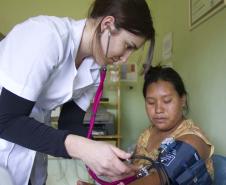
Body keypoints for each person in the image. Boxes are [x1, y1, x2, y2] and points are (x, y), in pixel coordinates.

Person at [0, 0, 155, 185]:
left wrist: (106, 159)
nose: (124, 59)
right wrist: (84, 149)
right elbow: (5, 121)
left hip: (31, 155)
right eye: (128, 46)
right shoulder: (47, 36)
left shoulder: (95, 67)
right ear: (107, 25)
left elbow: (70, 123)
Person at [78, 65, 214, 185]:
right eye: (150, 102)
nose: (158, 109)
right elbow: (136, 176)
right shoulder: (147, 135)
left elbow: (160, 178)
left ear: (182, 100)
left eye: (167, 101)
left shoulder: (193, 140)